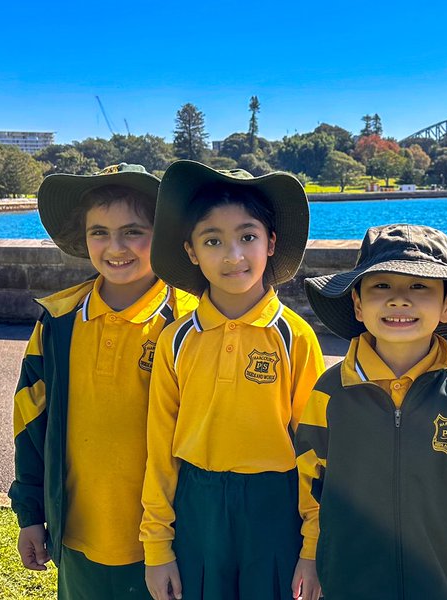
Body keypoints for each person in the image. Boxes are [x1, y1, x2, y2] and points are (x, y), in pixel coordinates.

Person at [9, 163, 198, 599]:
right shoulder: (58, 321)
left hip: (170, 543)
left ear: (165, 234)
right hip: (77, 534)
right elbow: (29, 424)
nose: (116, 247)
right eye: (100, 232)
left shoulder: (191, 322)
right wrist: (30, 513)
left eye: (134, 231)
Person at [140, 161, 326, 600]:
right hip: (197, 507)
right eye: (212, 240)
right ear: (191, 250)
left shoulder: (295, 337)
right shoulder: (176, 340)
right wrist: (156, 547)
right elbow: (160, 450)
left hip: (276, 507)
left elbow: (319, 451)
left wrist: (313, 547)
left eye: (247, 237)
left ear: (271, 242)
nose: (233, 256)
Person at [295, 223, 447, 600]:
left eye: (420, 286)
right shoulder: (329, 394)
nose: (399, 300)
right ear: (357, 304)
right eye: (381, 286)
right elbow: (312, 484)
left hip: (443, 579)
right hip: (349, 577)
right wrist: (311, 554)